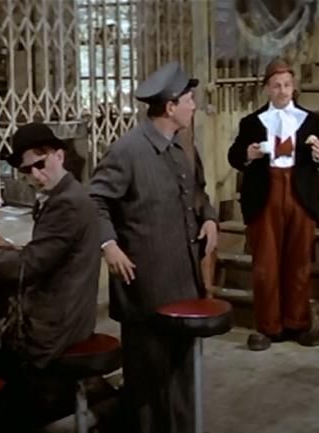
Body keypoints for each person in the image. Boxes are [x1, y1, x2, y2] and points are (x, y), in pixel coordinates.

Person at [89, 61, 218, 433]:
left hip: (184, 282)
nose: (194, 105)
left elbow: (198, 191)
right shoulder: (127, 151)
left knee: (182, 376)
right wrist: (109, 244)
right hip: (146, 288)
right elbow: (94, 201)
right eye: (189, 99)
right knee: (148, 383)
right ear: (170, 106)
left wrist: (209, 217)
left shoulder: (183, 147)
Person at [0, 123, 99, 429]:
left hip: (56, 327)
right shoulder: (67, 194)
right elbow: (51, 253)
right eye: (28, 171)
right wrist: (10, 247)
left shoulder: (66, 202)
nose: (36, 176)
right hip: (69, 317)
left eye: (41, 165)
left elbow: (30, 266)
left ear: (59, 155)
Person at [228, 58, 319, 351]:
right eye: (276, 86)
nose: (283, 91)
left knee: (299, 262)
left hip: (299, 194)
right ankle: (268, 326)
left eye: (287, 85)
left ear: (293, 86)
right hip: (266, 193)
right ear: (266, 89)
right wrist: (248, 154)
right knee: (266, 264)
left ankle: (297, 323)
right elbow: (235, 156)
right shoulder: (252, 122)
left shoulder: (310, 120)